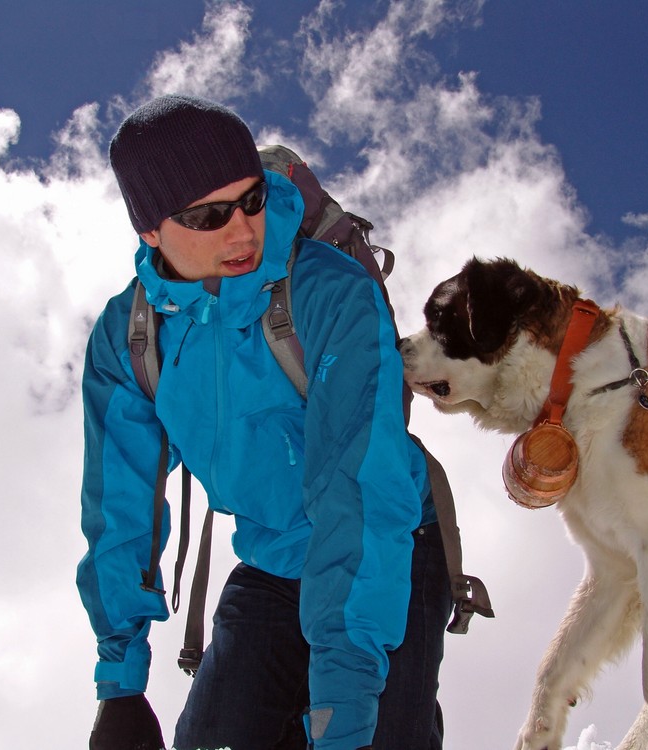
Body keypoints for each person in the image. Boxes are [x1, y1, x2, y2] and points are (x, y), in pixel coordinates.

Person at [77, 94, 452, 750]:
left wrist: (344, 701)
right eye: (209, 215)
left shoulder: (329, 295)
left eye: (252, 200)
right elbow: (120, 512)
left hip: (388, 552)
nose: (244, 231)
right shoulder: (129, 340)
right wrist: (121, 684)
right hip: (271, 561)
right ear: (150, 230)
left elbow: (357, 496)